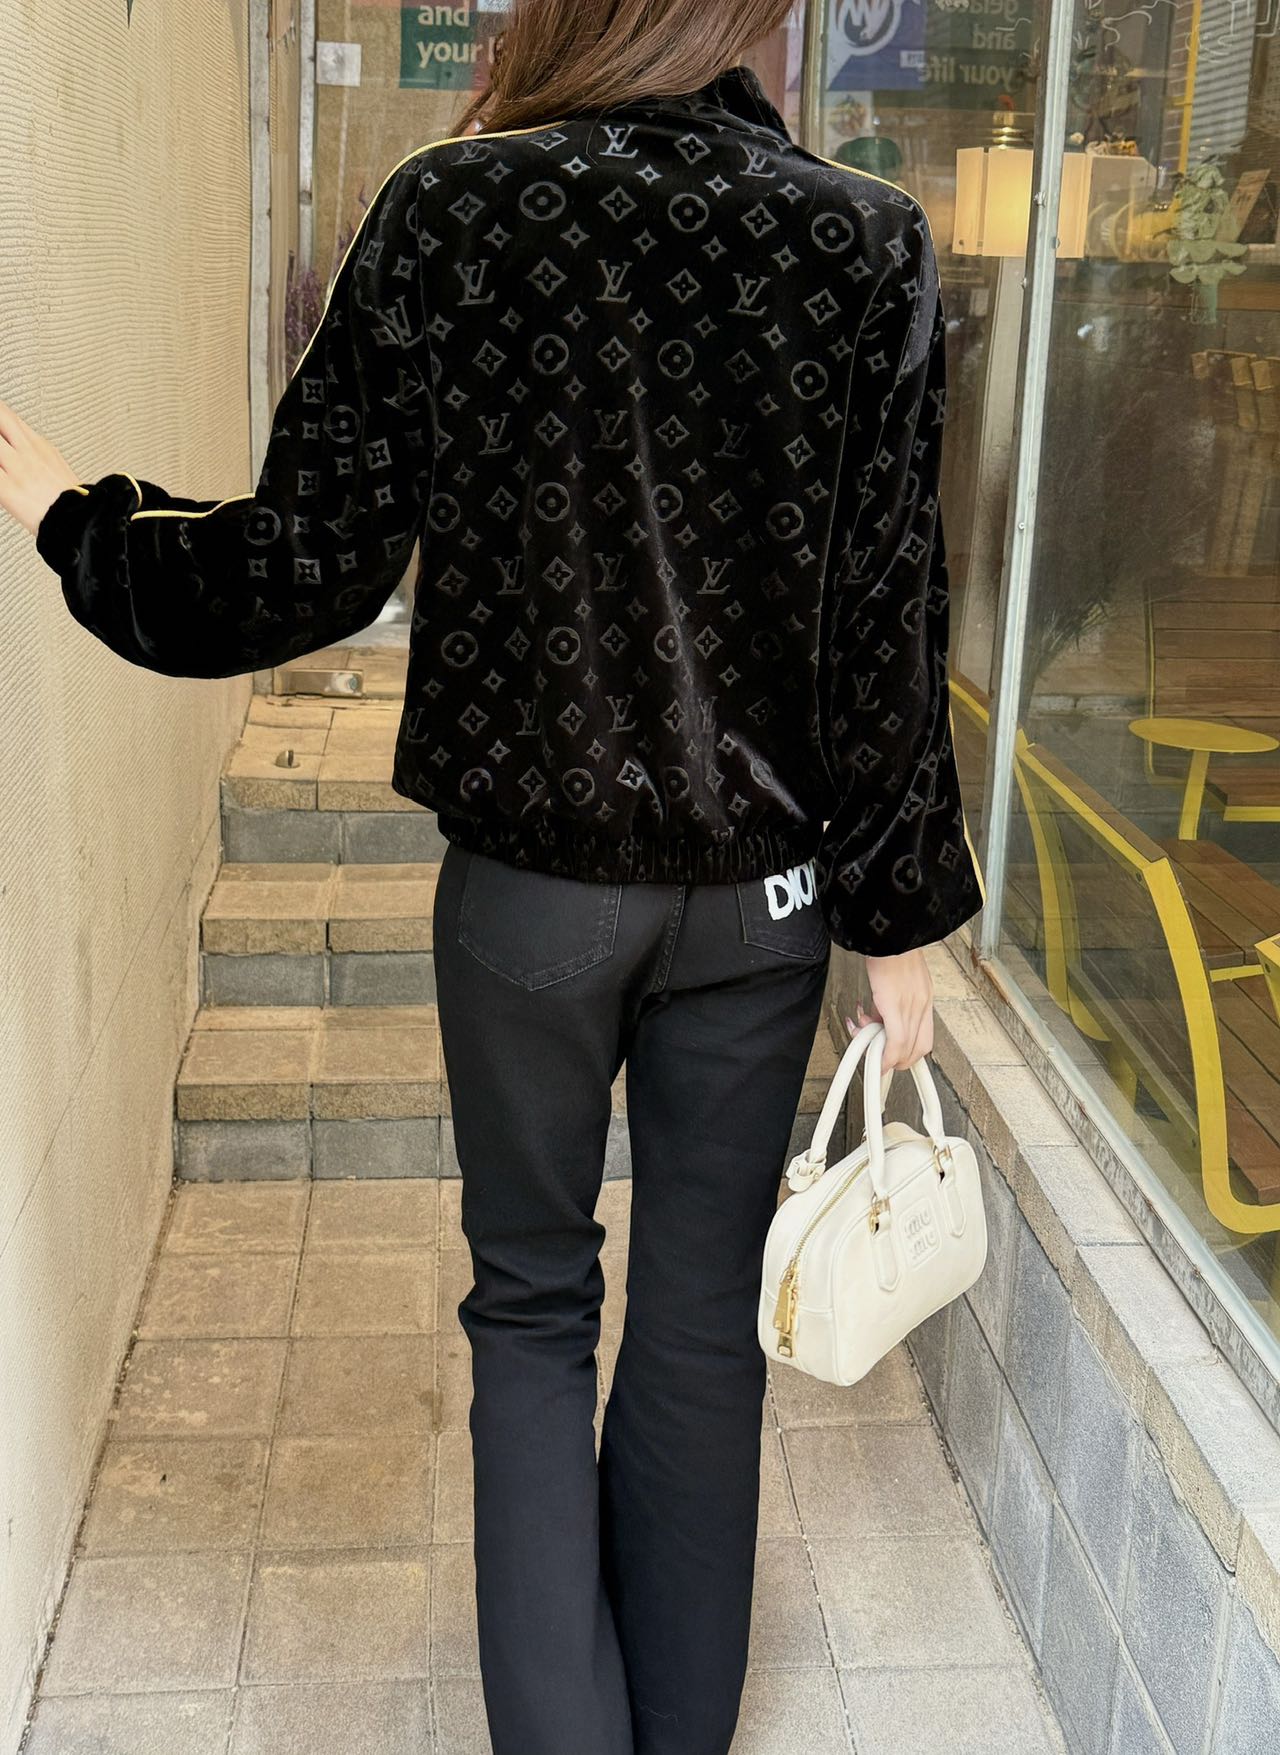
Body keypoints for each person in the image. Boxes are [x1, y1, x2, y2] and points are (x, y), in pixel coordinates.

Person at [0, 2, 983, 1749]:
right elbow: (889, 628)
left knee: (531, 1309)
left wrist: (86, 523)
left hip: (531, 895)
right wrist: (894, 926)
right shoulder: (868, 243)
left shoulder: (450, 211)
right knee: (701, 1328)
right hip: (761, 904)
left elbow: (305, 565)